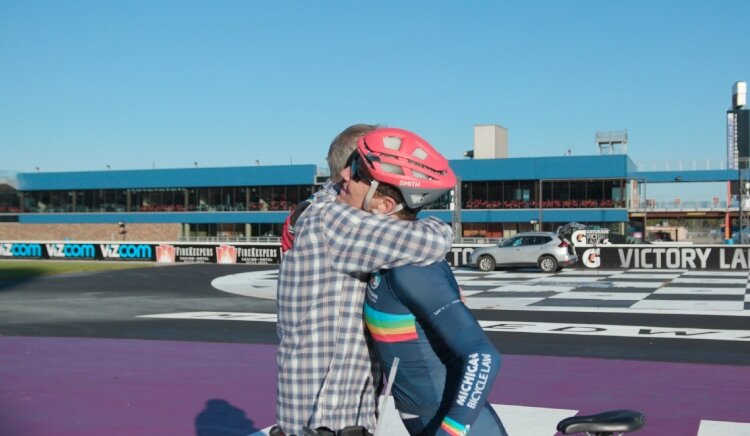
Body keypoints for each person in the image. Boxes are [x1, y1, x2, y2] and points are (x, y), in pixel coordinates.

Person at [275, 125, 455, 436]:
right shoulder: (333, 221)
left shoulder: (318, 209)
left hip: (328, 408)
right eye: (357, 166)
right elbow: (431, 242)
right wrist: (431, 220)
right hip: (327, 416)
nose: (348, 174)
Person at [345, 128, 507, 435]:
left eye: (356, 172)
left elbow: (482, 356)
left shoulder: (411, 269)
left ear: (384, 206)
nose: (345, 175)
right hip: (420, 415)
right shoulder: (385, 256)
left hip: (450, 421)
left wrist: (451, 431)